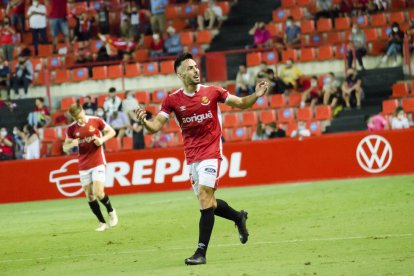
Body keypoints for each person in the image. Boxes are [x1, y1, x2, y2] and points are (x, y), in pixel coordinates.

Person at [134, 53, 270, 265]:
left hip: (212, 151)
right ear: (180, 74)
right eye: (190, 68)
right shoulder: (172, 100)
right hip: (192, 157)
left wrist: (256, 94)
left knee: (205, 197)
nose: (196, 70)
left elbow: (242, 103)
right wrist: (144, 121)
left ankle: (201, 253)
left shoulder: (213, 91)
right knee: (210, 203)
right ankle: (238, 217)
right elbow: (155, 127)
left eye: (196, 67)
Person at [63, 104, 118, 231]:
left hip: (98, 161)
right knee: (89, 196)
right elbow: (64, 147)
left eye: (81, 117)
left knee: (98, 192)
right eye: (77, 119)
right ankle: (102, 223)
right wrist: (71, 144)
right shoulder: (71, 129)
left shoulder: (96, 120)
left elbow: (112, 132)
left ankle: (111, 211)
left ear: (83, 111)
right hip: (83, 165)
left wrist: (102, 140)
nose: (80, 120)